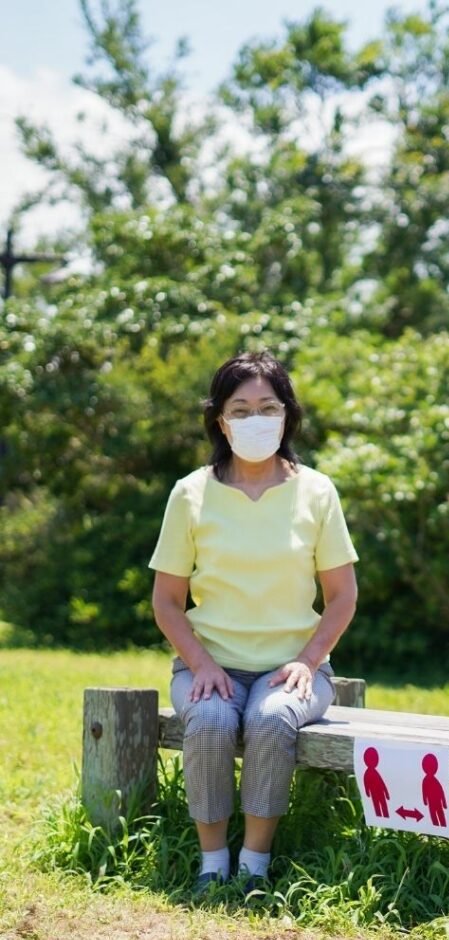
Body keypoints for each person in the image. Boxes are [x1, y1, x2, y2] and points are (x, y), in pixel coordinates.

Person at [149, 351, 358, 894]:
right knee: (213, 721)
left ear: (287, 415)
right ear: (219, 420)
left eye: (267, 407)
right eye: (240, 409)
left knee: (269, 719)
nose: (255, 419)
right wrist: (201, 666)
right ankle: (211, 863)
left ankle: (254, 867)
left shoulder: (317, 491)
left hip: (293, 672)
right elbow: (167, 601)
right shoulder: (190, 493)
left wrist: (307, 663)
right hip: (207, 666)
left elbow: (341, 597)